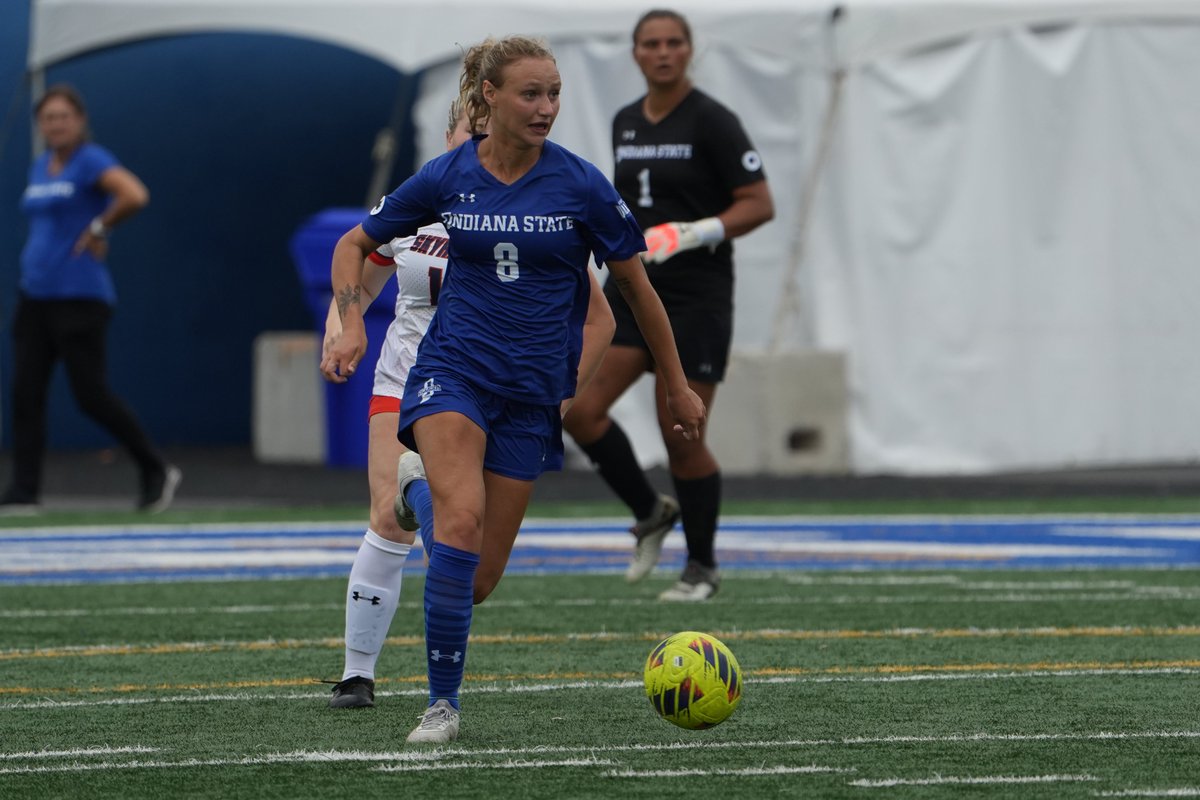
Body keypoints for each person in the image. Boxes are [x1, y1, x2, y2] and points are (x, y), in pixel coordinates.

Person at [327, 35, 705, 744]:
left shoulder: (581, 185)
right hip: (453, 372)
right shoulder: (446, 176)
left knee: (474, 580)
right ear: (490, 97)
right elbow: (354, 245)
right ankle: (442, 706)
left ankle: (414, 492)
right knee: (461, 524)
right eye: (531, 93)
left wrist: (676, 386)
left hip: (530, 394)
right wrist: (350, 325)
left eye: (554, 93)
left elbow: (635, 291)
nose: (545, 107)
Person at [319, 100, 614, 710]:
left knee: (467, 562)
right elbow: (359, 274)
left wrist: (558, 397)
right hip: (408, 378)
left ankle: (418, 498)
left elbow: (599, 320)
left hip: (500, 387)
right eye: (470, 134)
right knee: (388, 517)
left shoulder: (534, 210)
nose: (482, 146)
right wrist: (343, 326)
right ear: (449, 138)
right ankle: (357, 674)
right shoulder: (420, 200)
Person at [562, 9, 775, 601]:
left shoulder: (713, 119)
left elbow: (759, 203)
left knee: (681, 434)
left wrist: (693, 232)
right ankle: (650, 511)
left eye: (673, 42)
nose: (662, 52)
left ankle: (701, 566)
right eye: (651, 43)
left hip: (696, 297)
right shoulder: (626, 121)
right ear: (635, 53)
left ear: (689, 50)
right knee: (577, 408)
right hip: (635, 290)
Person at [1, 84, 181, 514]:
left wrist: (100, 227)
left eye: (63, 117)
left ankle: (156, 468)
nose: (56, 125)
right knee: (25, 394)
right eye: (49, 118)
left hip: (79, 296)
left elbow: (134, 194)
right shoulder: (42, 165)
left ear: (79, 121)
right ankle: (24, 491)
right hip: (35, 296)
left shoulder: (91, 160)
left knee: (90, 395)